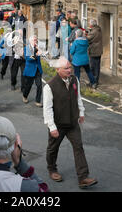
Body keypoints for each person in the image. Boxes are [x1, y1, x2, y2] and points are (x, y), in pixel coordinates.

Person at [43, 56, 98, 189]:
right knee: (53, 148)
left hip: (73, 123)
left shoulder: (74, 80)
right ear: (58, 70)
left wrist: (81, 112)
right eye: (66, 68)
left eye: (70, 67)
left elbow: (78, 97)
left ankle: (83, 177)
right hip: (58, 124)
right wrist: (52, 127)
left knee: (78, 147)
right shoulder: (49, 87)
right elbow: (47, 108)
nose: (69, 70)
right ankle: (52, 169)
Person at [22, 35, 43, 107]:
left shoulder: (37, 48)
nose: (36, 41)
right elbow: (28, 59)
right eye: (34, 40)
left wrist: (41, 52)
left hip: (38, 70)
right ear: (30, 41)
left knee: (39, 86)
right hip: (30, 70)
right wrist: (36, 54)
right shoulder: (26, 48)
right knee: (28, 85)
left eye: (36, 40)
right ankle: (25, 96)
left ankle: (37, 101)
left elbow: (40, 55)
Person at [87, 19, 103, 89]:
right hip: (97, 51)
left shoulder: (94, 31)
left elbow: (88, 38)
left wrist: (85, 34)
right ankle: (94, 81)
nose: (88, 24)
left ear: (91, 24)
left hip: (94, 51)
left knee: (94, 67)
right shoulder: (98, 29)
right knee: (96, 67)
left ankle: (94, 82)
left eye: (89, 23)